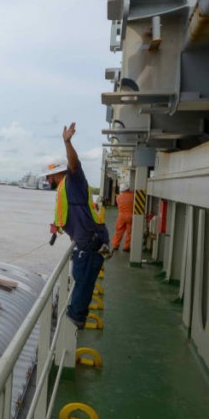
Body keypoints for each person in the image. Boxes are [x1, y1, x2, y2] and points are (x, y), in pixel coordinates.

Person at [45, 123, 111, 330]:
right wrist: (58, 225)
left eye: (48, 177)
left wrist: (67, 142)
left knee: (82, 280)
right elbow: (68, 211)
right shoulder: (65, 188)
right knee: (81, 278)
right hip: (87, 239)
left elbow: (74, 164)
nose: (47, 181)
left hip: (90, 242)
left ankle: (75, 320)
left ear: (57, 174)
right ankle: (74, 316)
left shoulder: (72, 180)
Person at [113, 183, 134, 252]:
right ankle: (126, 247)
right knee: (129, 232)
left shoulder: (118, 197)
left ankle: (115, 245)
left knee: (119, 231)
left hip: (121, 216)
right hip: (131, 216)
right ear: (128, 188)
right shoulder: (133, 196)